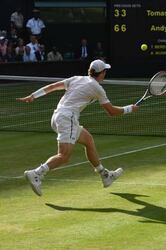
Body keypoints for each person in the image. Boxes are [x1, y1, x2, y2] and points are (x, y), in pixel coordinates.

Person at [17, 59, 139, 196]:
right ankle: (37, 173)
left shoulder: (77, 78)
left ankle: (105, 175)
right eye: (105, 71)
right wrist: (129, 109)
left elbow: (52, 87)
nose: (105, 73)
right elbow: (111, 111)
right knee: (64, 156)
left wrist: (33, 96)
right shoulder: (97, 88)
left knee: (88, 140)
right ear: (101, 73)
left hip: (58, 116)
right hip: (66, 118)